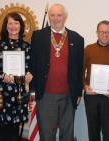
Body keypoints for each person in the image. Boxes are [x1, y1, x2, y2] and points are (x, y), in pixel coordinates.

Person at [30, 3, 84, 141]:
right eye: (52, 15)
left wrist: (78, 92)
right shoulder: (38, 36)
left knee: (67, 134)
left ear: (65, 17)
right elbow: (33, 64)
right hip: (45, 95)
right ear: (49, 16)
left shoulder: (77, 39)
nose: (55, 18)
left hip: (68, 94)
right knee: (47, 134)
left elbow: (79, 68)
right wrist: (32, 91)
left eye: (59, 15)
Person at [0, 12, 33, 141]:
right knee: (1, 131)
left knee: (14, 133)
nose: (13, 26)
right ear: (5, 26)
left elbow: (30, 68)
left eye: (16, 23)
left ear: (21, 26)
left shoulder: (26, 46)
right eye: (10, 23)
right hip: (1, 94)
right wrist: (2, 76)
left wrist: (29, 74)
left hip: (18, 94)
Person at [83, 20, 109, 141]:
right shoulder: (89, 49)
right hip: (91, 97)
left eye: (107, 32)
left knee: (108, 132)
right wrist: (85, 86)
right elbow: (80, 72)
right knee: (93, 132)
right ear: (97, 33)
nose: (104, 35)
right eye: (102, 32)